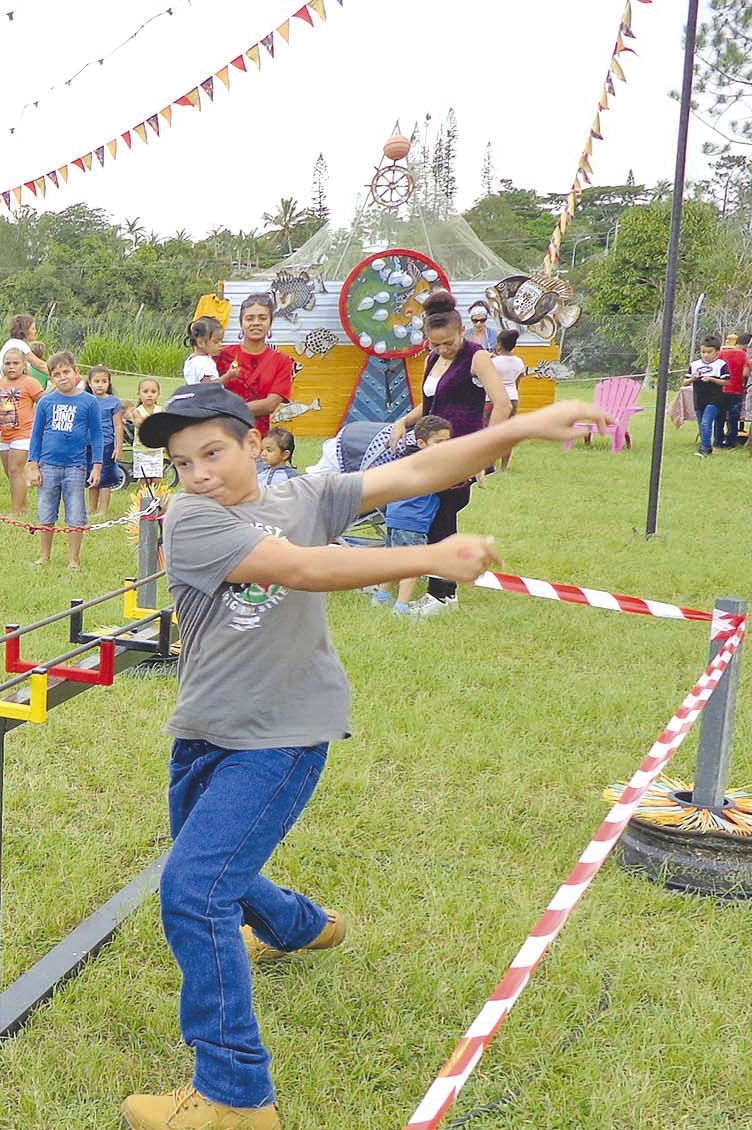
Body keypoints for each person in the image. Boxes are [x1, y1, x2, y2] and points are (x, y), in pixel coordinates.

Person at [118, 384, 608, 1130]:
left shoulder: (305, 495)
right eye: (182, 462)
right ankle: (299, 926)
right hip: (205, 729)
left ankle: (232, 1100)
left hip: (283, 734)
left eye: (211, 452)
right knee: (214, 864)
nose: (198, 473)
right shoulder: (190, 521)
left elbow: (416, 471)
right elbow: (301, 571)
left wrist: (531, 423)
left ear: (253, 442)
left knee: (193, 891)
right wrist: (431, 554)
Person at [381, 290, 514, 614]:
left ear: (461, 332)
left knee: (443, 518)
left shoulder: (476, 356)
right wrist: (404, 421)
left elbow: (502, 403)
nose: (443, 349)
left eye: (448, 343)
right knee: (425, 515)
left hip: (462, 452)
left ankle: (444, 594)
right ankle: (428, 583)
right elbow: (429, 402)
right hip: (431, 450)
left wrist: (484, 452)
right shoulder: (432, 360)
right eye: (435, 344)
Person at [28, 352, 106, 569]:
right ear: (51, 379)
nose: (62, 377)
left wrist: (97, 465)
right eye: (56, 374)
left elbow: (97, 435)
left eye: (66, 372)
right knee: (46, 511)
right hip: (48, 464)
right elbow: (36, 434)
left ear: (76, 373)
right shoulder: (45, 402)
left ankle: (74, 558)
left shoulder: (89, 402)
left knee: (76, 513)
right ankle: (44, 555)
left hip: (76, 466)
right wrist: (33, 464)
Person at [382, 416, 454, 615]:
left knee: (392, 561)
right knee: (412, 566)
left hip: (395, 516)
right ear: (422, 443)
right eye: (439, 442)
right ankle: (402, 606)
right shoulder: (431, 465)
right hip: (413, 522)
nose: (445, 446)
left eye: (448, 441)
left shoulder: (409, 459)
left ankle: (381, 597)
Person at [0, 315, 48, 480]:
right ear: (24, 329)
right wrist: (60, 372)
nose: (35, 331)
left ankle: (22, 475)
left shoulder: (14, 344)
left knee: (4, 437)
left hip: (3, 393)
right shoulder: (17, 344)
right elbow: (39, 364)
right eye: (33, 328)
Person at [219, 294, 294, 435]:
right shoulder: (223, 355)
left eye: (262, 318)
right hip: (222, 435)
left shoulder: (282, 361)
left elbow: (270, 404)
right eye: (249, 318)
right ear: (241, 323)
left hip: (257, 439)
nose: (256, 323)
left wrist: (228, 410)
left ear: (270, 322)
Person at [85, 364, 125, 520]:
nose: (100, 385)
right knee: (91, 477)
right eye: (96, 381)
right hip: (88, 445)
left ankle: (103, 510)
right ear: (89, 383)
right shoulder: (86, 400)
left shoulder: (113, 402)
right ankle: (92, 508)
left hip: (106, 445)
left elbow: (118, 425)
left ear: (109, 383)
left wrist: (118, 446)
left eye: (103, 381)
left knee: (105, 479)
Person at [690, 335, 732, 458]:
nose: (706, 355)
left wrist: (712, 379)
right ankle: (704, 443)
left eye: (709, 352)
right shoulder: (694, 365)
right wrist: (692, 378)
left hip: (715, 399)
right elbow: (685, 381)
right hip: (699, 398)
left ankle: (706, 448)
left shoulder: (721, 365)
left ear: (717, 352)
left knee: (706, 422)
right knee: (701, 423)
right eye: (703, 352)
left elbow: (726, 382)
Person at [489, 329, 524, 473]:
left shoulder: (493, 362)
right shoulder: (519, 362)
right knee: (507, 434)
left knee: (490, 434)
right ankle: (504, 467)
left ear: (499, 345)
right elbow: (517, 382)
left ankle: (490, 465)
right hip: (512, 398)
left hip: (493, 399)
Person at [124, 377, 166, 496]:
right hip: (142, 451)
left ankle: (156, 504)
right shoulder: (137, 411)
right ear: (139, 394)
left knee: (157, 480)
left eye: (153, 392)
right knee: (145, 480)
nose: (149, 395)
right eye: (146, 391)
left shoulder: (160, 409)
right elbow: (140, 423)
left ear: (158, 394)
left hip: (156, 451)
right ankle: (140, 504)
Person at [184, 316, 224, 385]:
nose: (221, 345)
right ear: (201, 343)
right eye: (216, 342)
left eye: (221, 341)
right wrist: (228, 376)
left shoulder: (192, 359)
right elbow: (208, 386)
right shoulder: (202, 362)